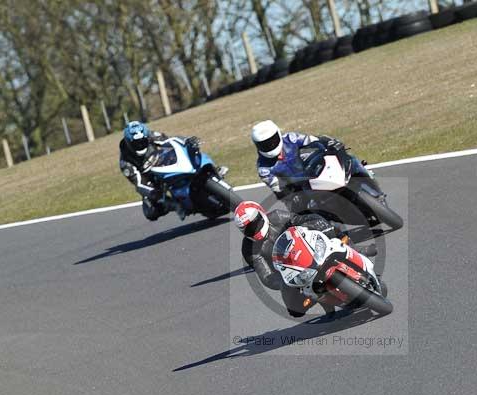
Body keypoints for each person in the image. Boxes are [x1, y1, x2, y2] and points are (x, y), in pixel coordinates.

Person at [234, 200, 375, 317]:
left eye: (254, 223)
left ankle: (357, 251)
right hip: (290, 271)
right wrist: (283, 282)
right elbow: (265, 276)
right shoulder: (249, 250)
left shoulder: (277, 216)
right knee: (295, 310)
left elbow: (300, 220)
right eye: (248, 229)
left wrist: (318, 225)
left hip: (308, 250)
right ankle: (323, 299)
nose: (254, 229)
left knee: (333, 231)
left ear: (261, 213)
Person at [250, 120, 370, 199]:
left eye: (272, 141)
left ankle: (367, 175)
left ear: (278, 134)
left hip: (317, 170)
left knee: (349, 160)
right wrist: (288, 192)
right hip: (301, 189)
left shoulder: (291, 138)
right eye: (265, 144)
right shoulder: (263, 168)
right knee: (305, 214)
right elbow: (277, 187)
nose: (270, 146)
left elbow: (313, 140)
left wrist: (329, 143)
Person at [119, 120, 201, 221]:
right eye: (136, 143)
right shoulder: (125, 162)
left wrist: (186, 140)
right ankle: (176, 205)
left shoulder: (151, 135)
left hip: (164, 160)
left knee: (190, 150)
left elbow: (170, 140)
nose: (140, 145)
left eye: (142, 141)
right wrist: (153, 193)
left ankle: (208, 170)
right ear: (128, 142)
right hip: (152, 179)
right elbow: (139, 184)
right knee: (150, 211)